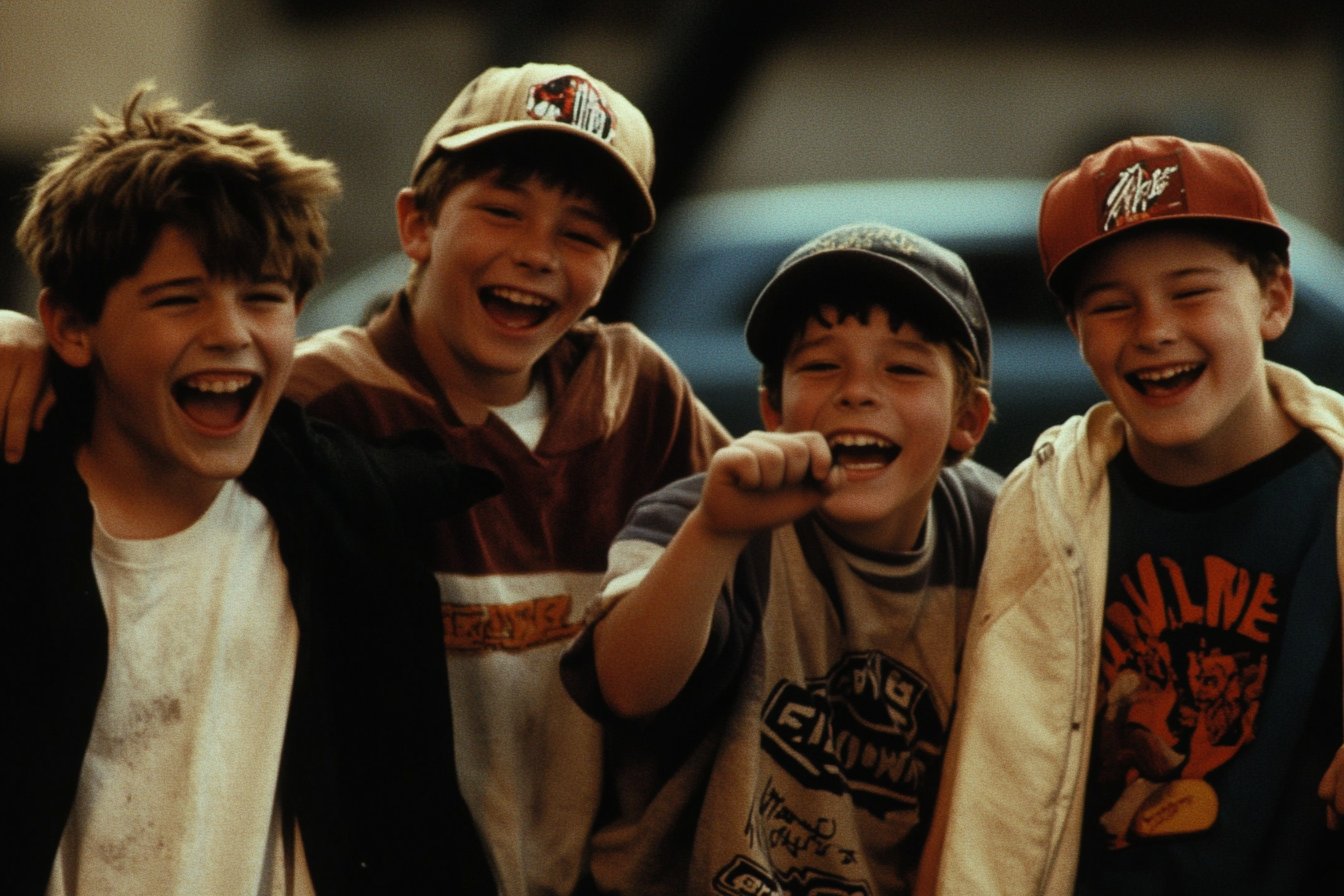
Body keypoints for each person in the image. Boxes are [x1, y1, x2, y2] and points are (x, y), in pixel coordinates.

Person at [0, 63, 727, 895]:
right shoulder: (310, 411)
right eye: (501, 209)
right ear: (416, 225)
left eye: (583, 231)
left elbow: (770, 531)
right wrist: (27, 346)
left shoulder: (636, 395)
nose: (536, 253)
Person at [2, 88, 498, 896]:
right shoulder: (16, 515)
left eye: (262, 296)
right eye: (179, 298)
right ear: (69, 326)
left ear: (299, 312)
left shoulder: (354, 523)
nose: (230, 330)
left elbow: (413, 825)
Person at [922, 136, 1344, 896]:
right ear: (1077, 333)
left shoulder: (1335, 491)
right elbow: (985, 774)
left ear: (1274, 299)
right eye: (1112, 306)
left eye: (1191, 293)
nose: (1153, 329)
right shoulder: (1046, 507)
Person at [559, 223, 1001, 895]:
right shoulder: (708, 515)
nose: (858, 391)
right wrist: (714, 534)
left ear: (968, 419)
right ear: (773, 408)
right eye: (822, 365)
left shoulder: (997, 533)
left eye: (904, 368)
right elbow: (626, 688)